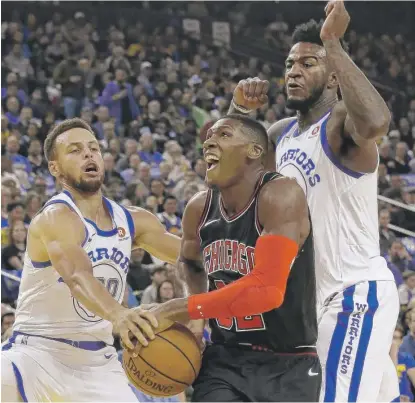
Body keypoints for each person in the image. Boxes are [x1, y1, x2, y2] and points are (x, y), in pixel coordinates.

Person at [227, 1, 399, 401]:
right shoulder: (280, 134)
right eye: (290, 64)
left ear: (335, 77)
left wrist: (333, 44)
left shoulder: (341, 123)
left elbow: (376, 123)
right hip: (315, 303)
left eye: (308, 63)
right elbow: (231, 182)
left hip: (355, 293)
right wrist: (238, 113)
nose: (294, 72)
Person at [1, 118, 180, 402]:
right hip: (35, 353)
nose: (88, 153)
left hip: (98, 361)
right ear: (55, 168)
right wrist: (119, 314)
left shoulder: (134, 221)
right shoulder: (55, 218)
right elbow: (77, 276)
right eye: (74, 150)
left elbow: (191, 258)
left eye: (93, 148)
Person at [145, 114, 320, 401]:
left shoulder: (280, 195)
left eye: (223, 135)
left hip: (289, 362)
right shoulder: (199, 208)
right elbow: (189, 262)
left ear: (255, 151)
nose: (208, 143)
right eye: (208, 138)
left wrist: (180, 308)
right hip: (225, 359)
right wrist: (197, 323)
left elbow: (267, 290)